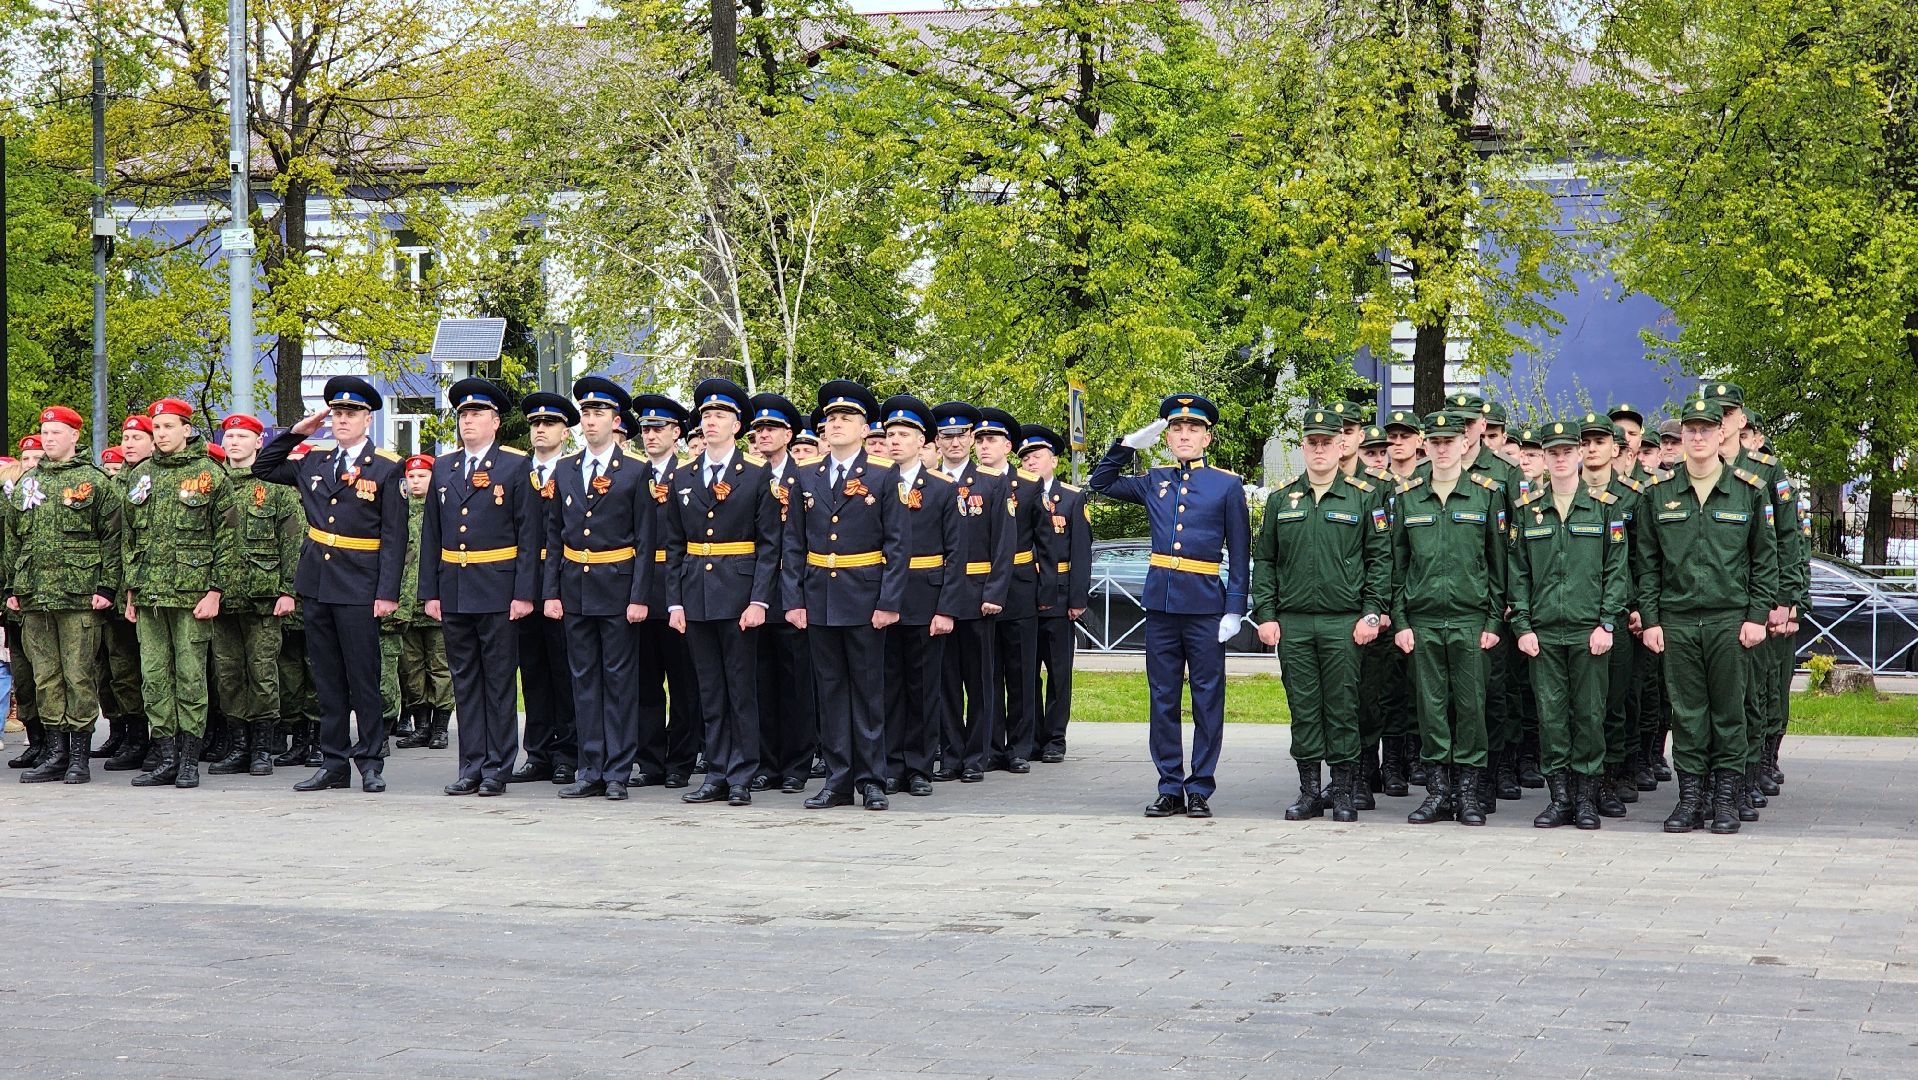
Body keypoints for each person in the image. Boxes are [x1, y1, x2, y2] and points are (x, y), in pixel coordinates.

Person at [1089, 394, 1250, 819]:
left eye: (1192, 429)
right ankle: (1169, 787)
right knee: (1162, 698)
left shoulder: (1226, 485)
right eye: (1176, 429)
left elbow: (1240, 547)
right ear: (1167, 437)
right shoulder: (1154, 479)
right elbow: (1100, 482)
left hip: (1204, 608)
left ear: (1207, 438)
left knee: (1206, 698)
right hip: (1161, 606)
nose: (1183, 435)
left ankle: (1199, 787)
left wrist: (1234, 607)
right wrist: (1126, 445)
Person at [253, 375, 409, 793]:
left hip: (361, 584)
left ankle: (371, 761)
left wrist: (387, 593)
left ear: (367, 419)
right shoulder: (315, 461)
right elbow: (262, 467)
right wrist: (296, 432)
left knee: (363, 676)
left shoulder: (388, 467)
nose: (342, 420)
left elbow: (396, 536)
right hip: (319, 583)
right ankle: (334, 761)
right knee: (326, 678)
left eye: (350, 414)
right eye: (337, 413)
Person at [1637, 397, 1777, 834]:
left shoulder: (1748, 491)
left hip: (1729, 620)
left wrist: (1757, 615)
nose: (1697, 437)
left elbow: (1764, 560)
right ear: (1682, 439)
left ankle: (1726, 798)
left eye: (1705, 429)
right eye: (1690, 430)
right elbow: (1647, 564)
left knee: (1729, 713)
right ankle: (1691, 798)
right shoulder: (1659, 495)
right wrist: (1652, 618)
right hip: (1677, 620)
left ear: (1722, 435)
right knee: (1688, 714)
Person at [1251, 408, 1391, 823]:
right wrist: (1266, 614)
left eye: (1326, 442)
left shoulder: (1363, 497)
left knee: (1344, 707)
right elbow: (1266, 561)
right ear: (1303, 447)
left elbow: (1379, 559)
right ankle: (1310, 791)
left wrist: (1371, 612)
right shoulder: (1281, 500)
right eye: (1311, 442)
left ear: (1340, 445)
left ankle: (1345, 791)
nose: (1319, 450)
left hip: (1342, 622)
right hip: (1293, 622)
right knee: (1304, 709)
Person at [783, 380, 910, 811]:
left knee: (868, 691)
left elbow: (897, 544)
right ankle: (838, 780)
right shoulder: (804, 474)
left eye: (845, 419)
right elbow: (793, 545)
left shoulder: (882, 473)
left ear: (863, 427)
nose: (835, 424)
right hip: (819, 598)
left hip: (864, 597)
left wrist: (889, 602)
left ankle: (872, 779)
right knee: (831, 692)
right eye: (830, 419)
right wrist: (794, 599)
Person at [420, 380, 540, 796]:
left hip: (499, 588)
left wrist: (525, 593)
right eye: (462, 415)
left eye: (475, 415)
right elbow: (431, 535)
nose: (467, 421)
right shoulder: (444, 466)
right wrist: (429, 592)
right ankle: (470, 764)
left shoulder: (515, 465)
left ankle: (496, 768)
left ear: (494, 421)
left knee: (499, 681)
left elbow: (530, 534)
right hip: (454, 587)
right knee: (465, 680)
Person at [665, 378, 780, 808]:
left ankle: (742, 774)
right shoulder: (684, 475)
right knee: (709, 690)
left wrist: (758, 600)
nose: (710, 422)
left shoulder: (755, 475)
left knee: (740, 689)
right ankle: (716, 772)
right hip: (696, 594)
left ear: (737, 425)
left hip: (738, 593)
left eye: (720, 417)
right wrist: (674, 600)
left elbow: (770, 544)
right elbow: (674, 543)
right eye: (706, 416)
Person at [1509, 419, 1628, 829]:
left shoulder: (1604, 508)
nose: (1560, 459)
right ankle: (1560, 798)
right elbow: (1518, 574)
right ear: (1542, 458)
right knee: (1551, 717)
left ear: (1579, 454)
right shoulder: (1528, 512)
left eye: (1566, 451)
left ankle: (1587, 799)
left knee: (1590, 716)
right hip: (1543, 633)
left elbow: (1617, 571)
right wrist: (1522, 626)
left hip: (1587, 630)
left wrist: (1607, 623)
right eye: (1551, 452)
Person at [1391, 410, 1508, 826]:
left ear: (1465, 444)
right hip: (1422, 621)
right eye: (1435, 442)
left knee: (1472, 708)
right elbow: (1396, 566)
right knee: (1431, 708)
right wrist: (1400, 621)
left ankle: (1469, 794)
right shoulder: (1408, 496)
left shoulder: (1486, 495)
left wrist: (1494, 623)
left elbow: (1499, 565)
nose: (1442, 449)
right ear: (1427, 446)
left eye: (1449, 441)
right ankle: (1439, 793)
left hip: (1470, 620)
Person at [544, 376, 653, 801]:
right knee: (583, 680)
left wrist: (640, 596)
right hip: (575, 589)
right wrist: (551, 592)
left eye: (598, 414)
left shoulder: (635, 470)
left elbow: (646, 541)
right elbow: (555, 537)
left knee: (619, 681)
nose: (590, 421)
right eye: (586, 414)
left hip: (618, 587)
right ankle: (589, 768)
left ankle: (617, 771)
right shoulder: (566, 468)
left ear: (615, 420)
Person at [120, 398, 238, 789]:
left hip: (191, 594)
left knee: (190, 678)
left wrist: (215, 591)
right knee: (154, 678)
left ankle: (189, 761)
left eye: (169, 427)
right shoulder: (142, 475)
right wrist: (132, 591)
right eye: (157, 428)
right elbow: (130, 538)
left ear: (187, 429)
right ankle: (165, 757)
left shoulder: (210, 474)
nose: (161, 434)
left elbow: (227, 539)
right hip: (150, 594)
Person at [6, 407, 123, 785]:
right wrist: (11, 588)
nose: (49, 438)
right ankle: (55, 752)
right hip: (35, 593)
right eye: (45, 432)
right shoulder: (26, 484)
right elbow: (13, 539)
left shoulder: (94, 481)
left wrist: (106, 586)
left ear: (75, 435)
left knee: (78, 675)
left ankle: (78, 755)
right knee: (46, 677)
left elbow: (113, 537)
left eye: (57, 432)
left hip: (79, 594)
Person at [207, 413, 300, 778]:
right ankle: (238, 745)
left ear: (258, 443)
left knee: (262, 671)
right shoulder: (213, 484)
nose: (234, 443)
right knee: (228, 673)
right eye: (229, 436)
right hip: (221, 595)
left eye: (243, 436)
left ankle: (262, 746)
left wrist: (287, 590)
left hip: (263, 597)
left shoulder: (275, 486)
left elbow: (292, 541)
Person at [878, 395, 960, 795]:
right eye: (890, 433)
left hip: (926, 598)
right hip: (883, 599)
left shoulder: (942, 488)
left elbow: (956, 554)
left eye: (904, 434)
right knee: (888, 686)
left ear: (921, 441)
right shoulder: (873, 481)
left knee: (924, 687)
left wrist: (946, 608)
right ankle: (892, 764)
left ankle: (920, 767)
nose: (895, 440)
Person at [927, 401, 1010, 784]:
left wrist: (994, 591)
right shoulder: (928, 481)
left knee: (978, 680)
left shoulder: (993, 482)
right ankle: (951, 755)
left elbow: (1004, 545)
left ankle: (976, 757)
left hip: (978, 593)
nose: (955, 442)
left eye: (961, 436)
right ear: (938, 442)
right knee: (943, 680)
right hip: (938, 595)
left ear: (972, 440)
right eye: (947, 436)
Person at [975, 407, 1055, 773]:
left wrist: (1046, 591)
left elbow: (1046, 542)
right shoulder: (969, 484)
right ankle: (991, 746)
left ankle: (1020, 747)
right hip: (979, 585)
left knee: (1021, 671)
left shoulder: (1027, 484)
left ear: (1008, 445)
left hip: (1020, 585)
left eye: (991, 440)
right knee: (986, 673)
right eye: (980, 439)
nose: (983, 446)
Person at [628, 393, 701, 788]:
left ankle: (681, 761)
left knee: (685, 682)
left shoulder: (689, 474)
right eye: (645, 430)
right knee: (645, 682)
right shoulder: (633, 473)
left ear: (677, 433)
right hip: (639, 588)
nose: (650, 436)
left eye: (658, 429)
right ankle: (650, 761)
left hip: (679, 588)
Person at [509, 392, 581, 783]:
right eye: (535, 423)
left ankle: (568, 752)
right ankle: (537, 752)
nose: (540, 429)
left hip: (564, 581)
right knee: (532, 671)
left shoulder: (573, 471)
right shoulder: (517, 471)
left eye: (549, 423)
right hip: (522, 582)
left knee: (565, 670)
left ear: (565, 433)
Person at [746, 391, 816, 793]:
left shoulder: (803, 477)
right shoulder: (749, 475)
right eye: (758, 429)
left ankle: (796, 764)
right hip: (756, 591)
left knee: (795, 684)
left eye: (771, 428)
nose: (764, 435)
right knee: (761, 682)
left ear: (788, 434)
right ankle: (766, 762)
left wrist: (799, 597)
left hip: (795, 589)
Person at [1019, 424, 1090, 765]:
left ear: (1055, 461)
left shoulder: (1072, 498)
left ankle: (1055, 738)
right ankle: (1030, 736)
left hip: (1060, 596)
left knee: (1059, 672)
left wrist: (1077, 599)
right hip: (1024, 596)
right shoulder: (1014, 494)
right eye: (1025, 457)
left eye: (1037, 456)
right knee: (1025, 671)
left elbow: (1081, 552)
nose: (1030, 461)